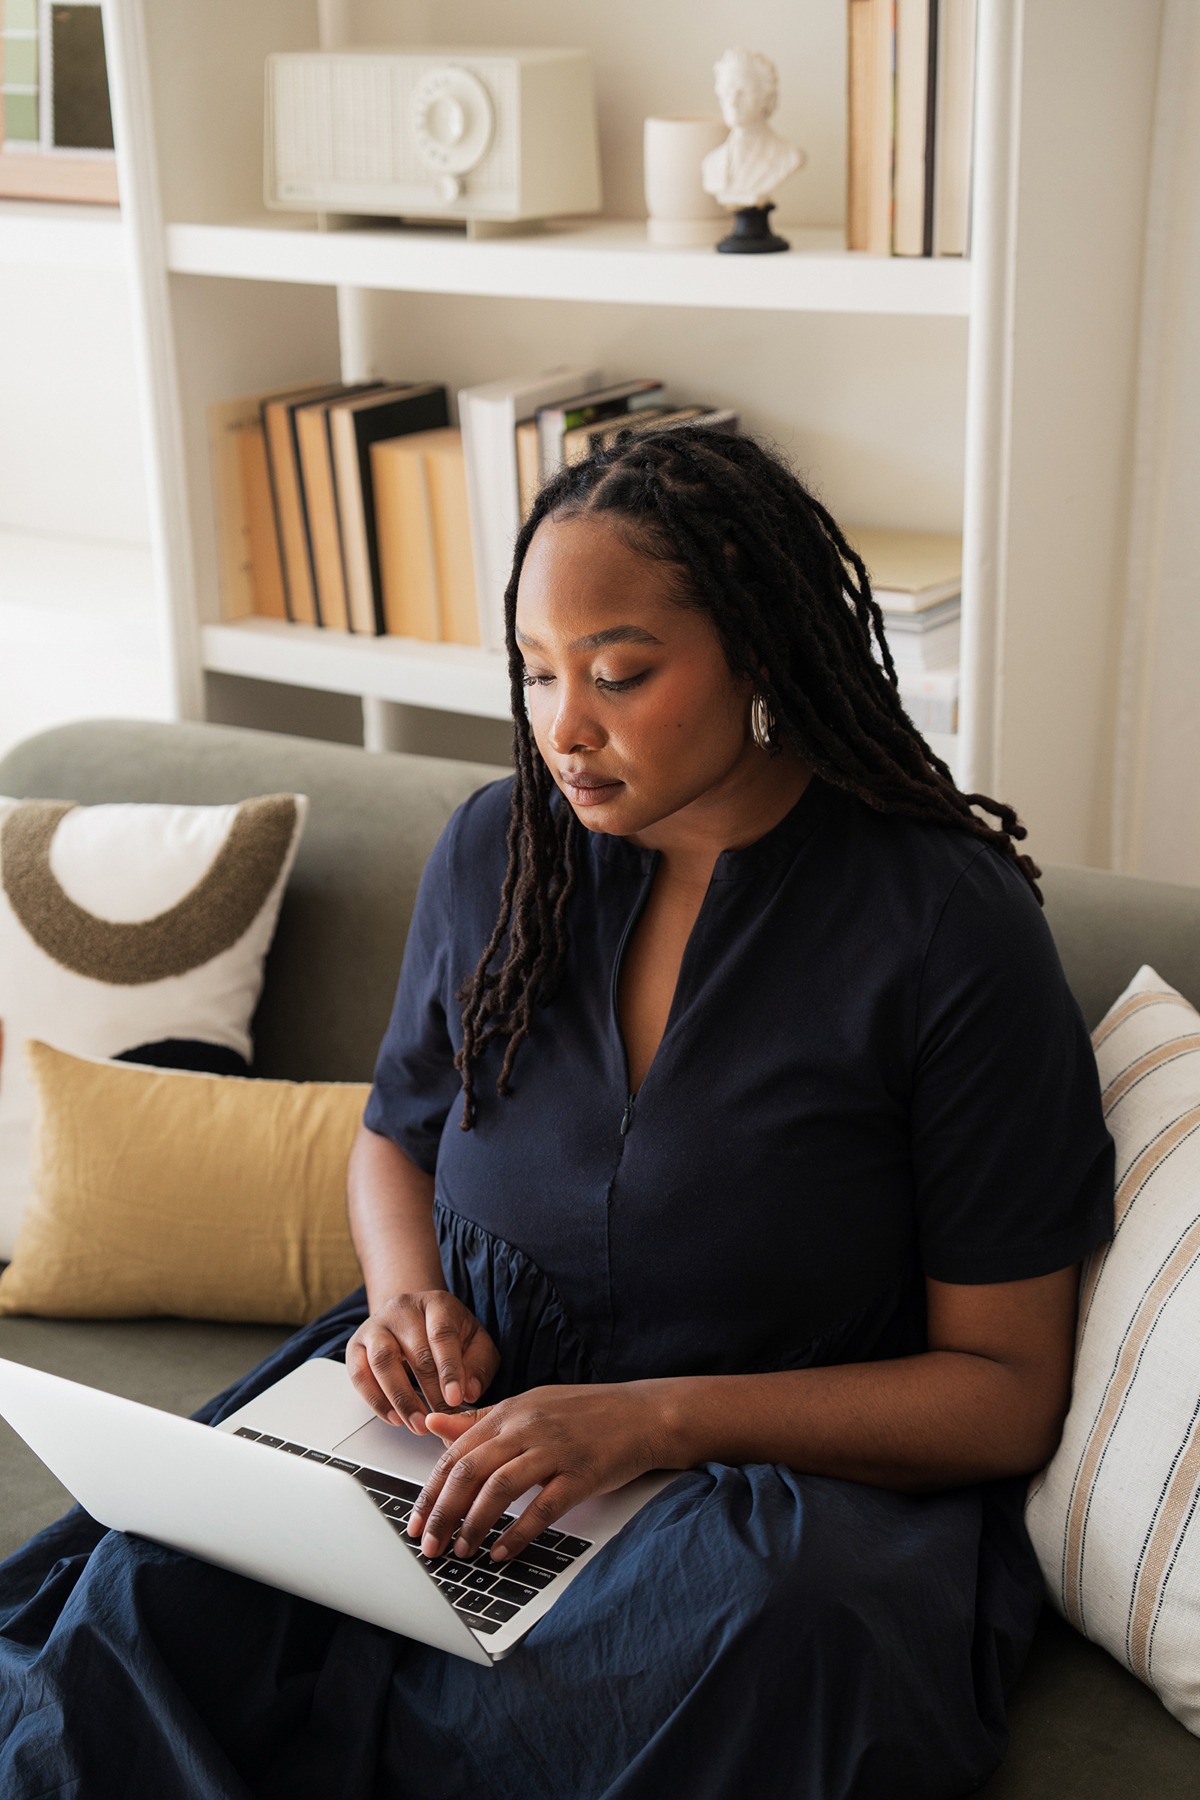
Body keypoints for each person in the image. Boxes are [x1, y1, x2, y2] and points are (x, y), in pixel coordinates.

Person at [0, 428, 1113, 1800]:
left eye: (620, 674)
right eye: (534, 672)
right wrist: (405, 1302)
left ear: (759, 651)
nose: (563, 724)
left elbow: (1003, 1395)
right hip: (460, 1448)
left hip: (757, 1487)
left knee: (758, 1643)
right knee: (147, 1593)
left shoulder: (946, 931)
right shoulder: (497, 850)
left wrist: (650, 1420)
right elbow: (394, 1138)